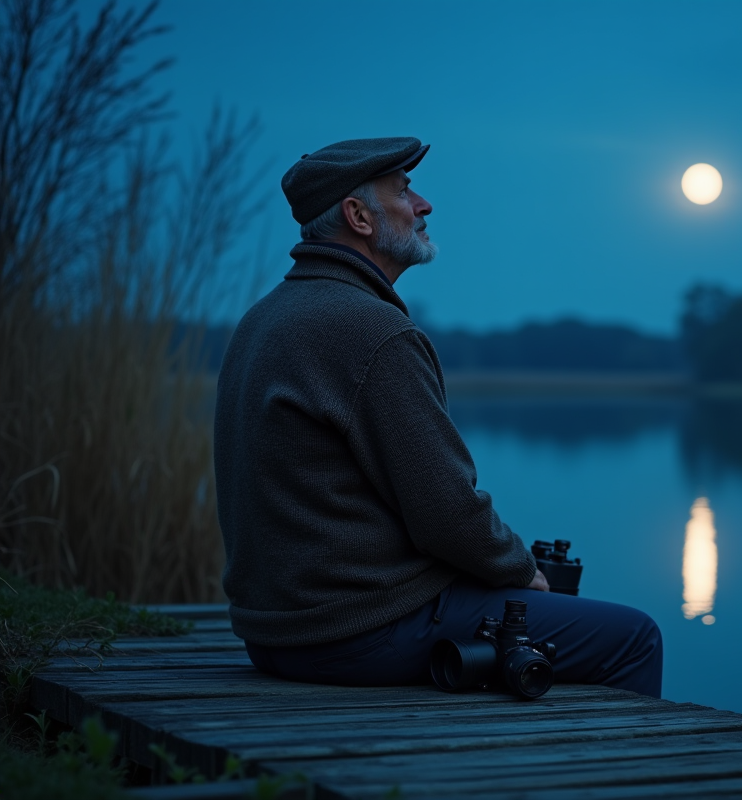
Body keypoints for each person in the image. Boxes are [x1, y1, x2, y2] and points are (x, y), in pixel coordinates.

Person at [213, 137, 662, 697]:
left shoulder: (262, 320)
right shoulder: (373, 331)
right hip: (360, 631)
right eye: (404, 192)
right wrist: (523, 570)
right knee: (634, 637)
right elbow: (446, 512)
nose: (424, 205)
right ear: (358, 217)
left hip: (273, 635)